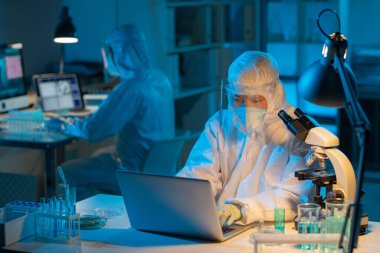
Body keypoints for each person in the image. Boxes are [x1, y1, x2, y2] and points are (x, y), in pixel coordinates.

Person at [176, 51, 313, 227]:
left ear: (274, 95)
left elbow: (293, 197)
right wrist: (176, 196)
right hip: (222, 226)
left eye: (256, 100)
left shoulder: (297, 131)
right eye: (238, 99)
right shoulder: (220, 124)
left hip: (271, 230)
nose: (246, 108)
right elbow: (200, 175)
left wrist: (242, 209)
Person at [47, 24, 174, 200]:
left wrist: (62, 123)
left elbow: (93, 131)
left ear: (118, 54)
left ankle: (91, 220)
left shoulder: (130, 88)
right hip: (155, 166)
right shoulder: (160, 79)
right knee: (99, 154)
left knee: (65, 172)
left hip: (134, 171)